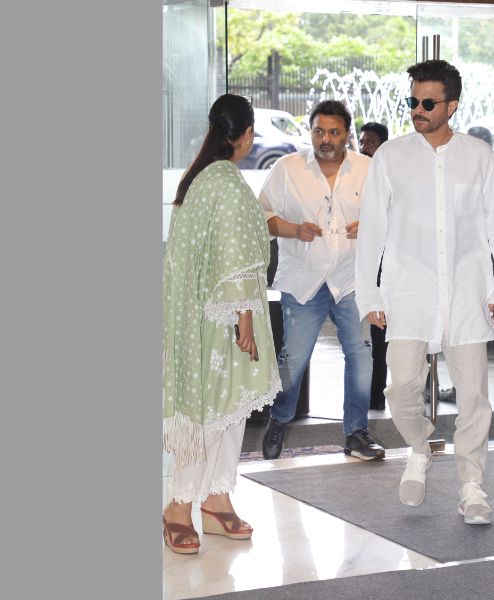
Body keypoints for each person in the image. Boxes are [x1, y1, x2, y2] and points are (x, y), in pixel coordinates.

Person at [355, 60, 494, 525]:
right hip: (408, 293)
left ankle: (472, 486)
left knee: (474, 399)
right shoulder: (391, 156)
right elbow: (372, 231)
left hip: (467, 294)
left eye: (428, 102)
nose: (418, 110)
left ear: (452, 105)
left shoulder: (479, 156)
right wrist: (370, 295)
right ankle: (419, 447)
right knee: (400, 389)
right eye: (412, 101)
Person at [162, 94, 281, 554]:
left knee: (227, 411)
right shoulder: (225, 183)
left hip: (208, 315)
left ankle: (216, 498)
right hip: (225, 319)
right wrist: (245, 319)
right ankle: (178, 507)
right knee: (214, 413)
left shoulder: (201, 177)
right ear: (246, 135)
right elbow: (234, 258)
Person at [259, 100, 385, 461]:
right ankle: (279, 419)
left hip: (352, 280)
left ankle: (356, 433)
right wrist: (294, 229)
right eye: (318, 131)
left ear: (347, 134)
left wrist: (371, 226)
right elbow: (261, 214)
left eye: (333, 132)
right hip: (304, 280)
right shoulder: (288, 168)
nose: (325, 139)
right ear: (310, 132)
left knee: (361, 356)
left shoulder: (368, 169)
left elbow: (392, 214)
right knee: (295, 358)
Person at [440, 126, 494, 404]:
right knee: (483, 326)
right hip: (475, 261)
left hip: (489, 259)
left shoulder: (487, 172)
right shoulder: (468, 171)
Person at [357, 122, 391, 410]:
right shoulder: (357, 174)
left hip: (386, 268)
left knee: (382, 336)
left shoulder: (389, 175)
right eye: (361, 142)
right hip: (361, 267)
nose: (363, 147)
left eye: (369, 142)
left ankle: (377, 395)